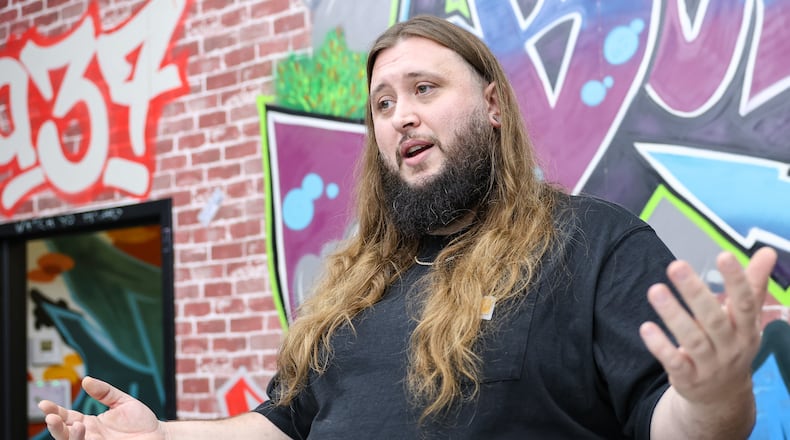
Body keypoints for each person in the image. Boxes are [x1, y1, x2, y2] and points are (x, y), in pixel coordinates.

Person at [39, 15, 777, 440]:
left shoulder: (594, 246)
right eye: (383, 105)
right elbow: (280, 427)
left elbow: (680, 426)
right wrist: (160, 434)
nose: (402, 116)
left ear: (492, 104)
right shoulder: (353, 283)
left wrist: (713, 394)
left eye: (424, 89)